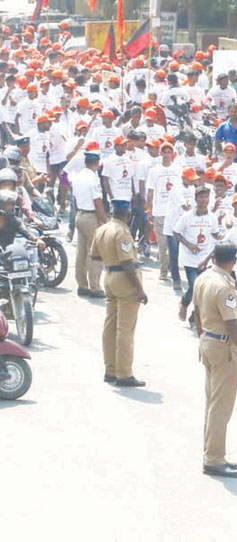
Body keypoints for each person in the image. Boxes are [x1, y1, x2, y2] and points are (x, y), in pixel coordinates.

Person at [193, 243, 237, 478]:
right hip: (224, 349)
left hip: (209, 341)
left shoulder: (204, 278)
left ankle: (211, 452)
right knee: (221, 407)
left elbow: (197, 313)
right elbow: (232, 323)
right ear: (232, 261)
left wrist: (202, 337)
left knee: (212, 403)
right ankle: (214, 458)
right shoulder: (224, 287)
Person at [89, 200, 148, 387]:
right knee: (125, 330)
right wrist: (139, 289)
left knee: (110, 326)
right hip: (124, 279)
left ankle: (110, 369)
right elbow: (127, 262)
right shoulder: (122, 232)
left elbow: (94, 255)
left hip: (109, 276)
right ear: (128, 215)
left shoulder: (102, 229)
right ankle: (124, 373)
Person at [173, 186, 223, 322]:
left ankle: (195, 317)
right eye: (201, 197)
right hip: (190, 258)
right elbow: (176, 232)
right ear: (196, 199)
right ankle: (184, 302)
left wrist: (220, 236)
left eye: (206, 197)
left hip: (205, 257)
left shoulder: (212, 217)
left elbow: (214, 232)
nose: (204, 200)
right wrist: (189, 245)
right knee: (194, 285)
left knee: (204, 289)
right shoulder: (187, 216)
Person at [72, 150, 106, 298]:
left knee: (81, 253)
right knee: (95, 253)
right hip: (91, 217)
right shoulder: (93, 179)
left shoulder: (78, 176)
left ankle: (82, 285)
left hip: (80, 214)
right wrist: (103, 220)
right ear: (97, 164)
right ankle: (95, 287)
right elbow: (97, 201)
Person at [146, 140, 181, 282]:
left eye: (169, 152)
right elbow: (150, 191)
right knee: (162, 245)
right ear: (160, 153)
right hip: (159, 211)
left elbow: (180, 191)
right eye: (164, 152)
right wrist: (149, 210)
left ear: (172, 154)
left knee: (174, 244)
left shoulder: (178, 169)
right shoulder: (154, 170)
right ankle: (163, 271)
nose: (166, 155)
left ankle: (174, 270)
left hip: (174, 212)